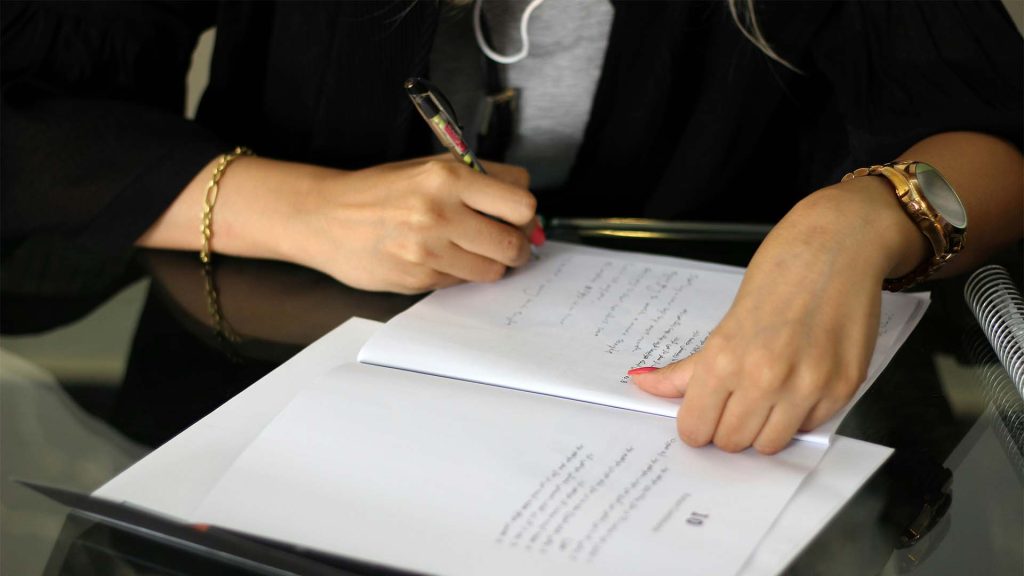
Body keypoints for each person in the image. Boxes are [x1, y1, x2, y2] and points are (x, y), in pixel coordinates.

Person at [3, 0, 1021, 454]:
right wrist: (294, 205)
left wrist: (858, 220)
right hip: (259, 397)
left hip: (691, 436)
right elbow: (28, 107)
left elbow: (996, 136)